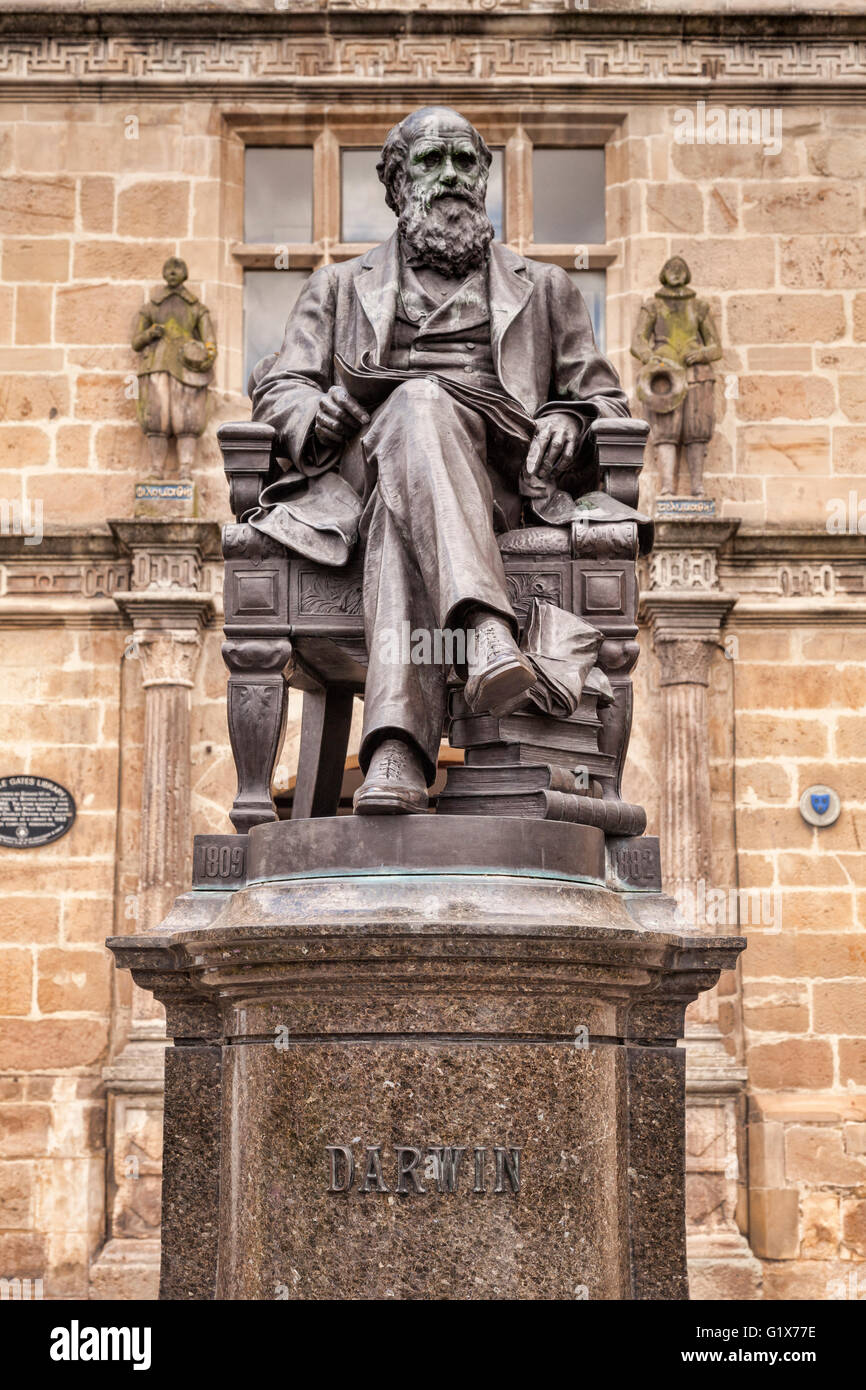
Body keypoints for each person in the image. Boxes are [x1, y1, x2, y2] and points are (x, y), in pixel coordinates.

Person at [252, 106, 631, 813]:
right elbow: (279, 388)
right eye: (432, 162)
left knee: (406, 492)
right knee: (417, 404)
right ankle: (486, 631)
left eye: (468, 162)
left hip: (501, 480)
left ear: (484, 178)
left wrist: (569, 418)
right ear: (396, 186)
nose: (454, 175)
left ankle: (396, 753)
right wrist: (314, 413)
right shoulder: (337, 287)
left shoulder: (545, 288)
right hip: (365, 471)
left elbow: (607, 402)